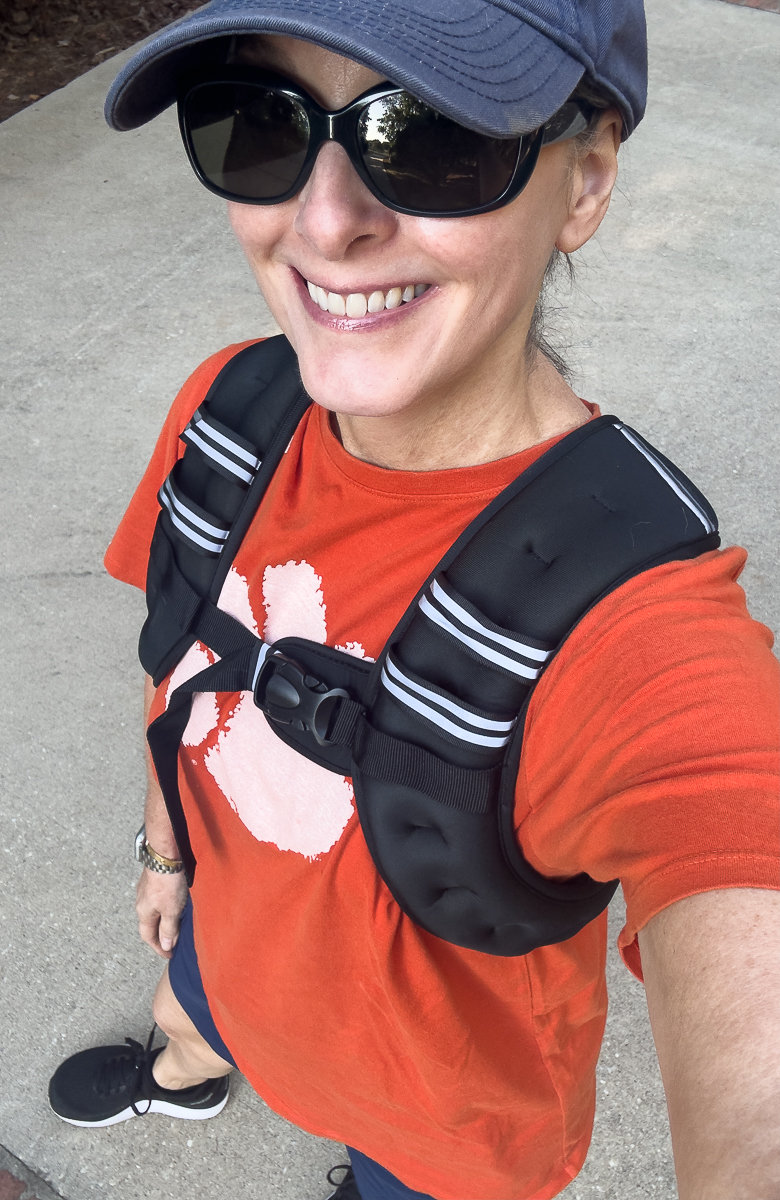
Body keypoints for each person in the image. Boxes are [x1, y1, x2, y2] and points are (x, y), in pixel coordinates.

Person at [47, 2, 779, 1198]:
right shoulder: (230, 412)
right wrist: (163, 848)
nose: (327, 223)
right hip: (229, 950)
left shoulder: (634, 635)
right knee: (192, 995)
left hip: (438, 1132)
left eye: (432, 137)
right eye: (258, 125)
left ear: (585, 186)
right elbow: (177, 657)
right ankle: (188, 1061)